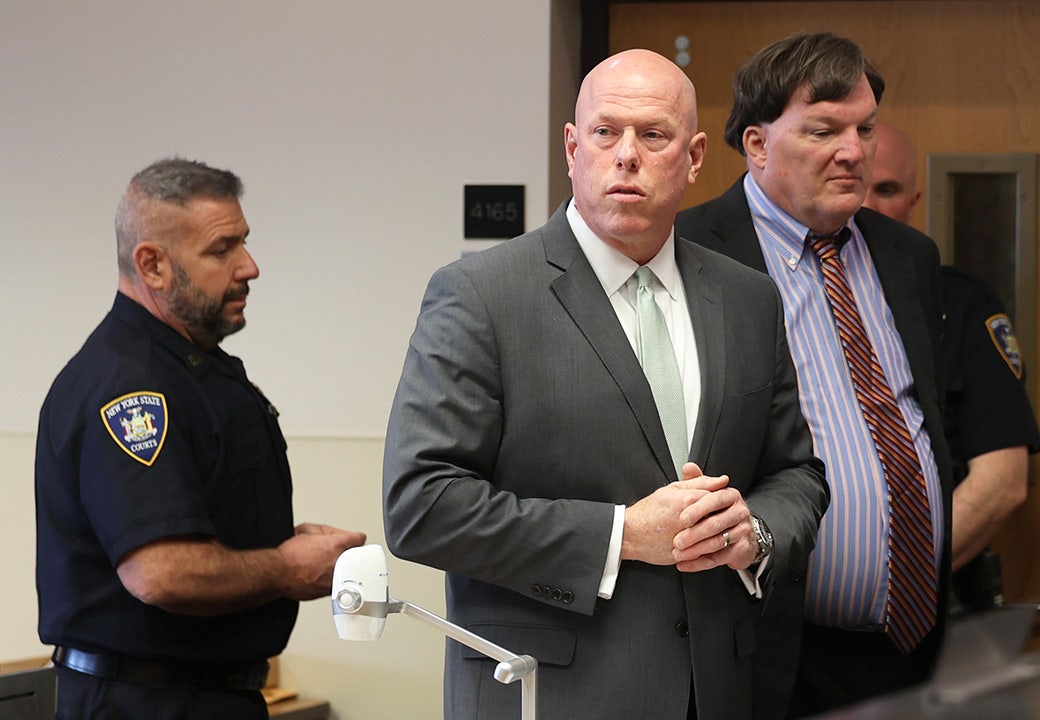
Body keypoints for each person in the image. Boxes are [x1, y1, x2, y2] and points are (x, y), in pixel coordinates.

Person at [382, 49, 827, 720]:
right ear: (571, 147)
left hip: (716, 693)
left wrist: (755, 534)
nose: (627, 155)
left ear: (695, 155)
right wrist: (620, 535)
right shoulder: (482, 295)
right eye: (605, 132)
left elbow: (797, 473)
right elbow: (422, 505)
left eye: (653, 136)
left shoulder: (747, 299)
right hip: (548, 693)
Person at [677, 33, 952, 717]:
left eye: (864, 128)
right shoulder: (689, 255)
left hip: (916, 643)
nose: (854, 150)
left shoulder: (907, 254)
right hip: (772, 649)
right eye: (824, 130)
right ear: (758, 144)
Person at [35, 158, 367, 720]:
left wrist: (277, 542)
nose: (250, 267)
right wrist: (288, 567)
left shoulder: (190, 368)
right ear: (153, 265)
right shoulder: (130, 386)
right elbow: (162, 572)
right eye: (222, 251)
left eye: (244, 243)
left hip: (205, 694)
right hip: (146, 701)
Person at [863, 122, 1040, 614]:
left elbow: (1002, 481)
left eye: (888, 190)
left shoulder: (960, 303)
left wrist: (899, 580)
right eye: (859, 187)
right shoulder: (769, 296)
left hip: (934, 600)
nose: (868, 207)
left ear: (913, 200)